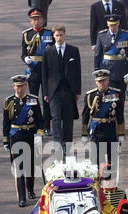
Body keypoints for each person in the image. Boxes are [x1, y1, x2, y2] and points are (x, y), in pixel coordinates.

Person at [3, 75, 44, 207]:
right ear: (13, 87)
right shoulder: (8, 102)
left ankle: (30, 189)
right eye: (17, 86)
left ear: (25, 86)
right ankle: (22, 197)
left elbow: (39, 120)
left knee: (31, 166)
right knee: (19, 167)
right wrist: (5, 139)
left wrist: (39, 134)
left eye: (21, 86)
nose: (19, 89)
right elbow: (6, 122)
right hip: (16, 136)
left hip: (30, 134)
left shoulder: (33, 100)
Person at [42, 24, 81, 155]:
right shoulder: (48, 52)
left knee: (68, 119)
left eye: (61, 35)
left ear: (65, 35)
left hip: (69, 90)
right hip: (54, 91)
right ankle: (58, 145)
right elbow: (45, 74)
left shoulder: (73, 50)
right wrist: (46, 93)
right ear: (53, 36)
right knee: (56, 119)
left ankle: (67, 145)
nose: (59, 37)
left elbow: (77, 71)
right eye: (57, 35)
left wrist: (77, 90)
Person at [94, 14, 128, 123]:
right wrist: (97, 72)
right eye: (111, 25)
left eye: (115, 25)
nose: (113, 27)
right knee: (107, 100)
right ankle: (109, 123)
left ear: (118, 24)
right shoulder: (102, 36)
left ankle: (120, 124)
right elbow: (98, 55)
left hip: (121, 73)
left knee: (120, 101)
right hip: (107, 73)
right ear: (107, 24)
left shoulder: (125, 35)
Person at [81, 69, 124, 166]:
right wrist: (84, 134)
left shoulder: (116, 94)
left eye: (104, 80)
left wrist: (121, 133)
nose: (102, 83)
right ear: (96, 82)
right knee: (96, 160)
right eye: (99, 81)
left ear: (108, 80)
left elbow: (120, 114)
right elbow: (85, 115)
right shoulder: (90, 95)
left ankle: (109, 177)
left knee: (111, 160)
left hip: (110, 128)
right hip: (96, 130)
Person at [22, 8, 53, 136]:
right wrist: (26, 59)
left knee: (46, 99)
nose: (36, 21)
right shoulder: (26, 34)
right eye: (33, 19)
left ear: (42, 20)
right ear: (30, 21)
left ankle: (47, 125)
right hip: (33, 71)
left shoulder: (49, 33)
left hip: (46, 70)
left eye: (38, 19)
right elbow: (23, 53)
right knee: (33, 99)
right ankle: (36, 123)